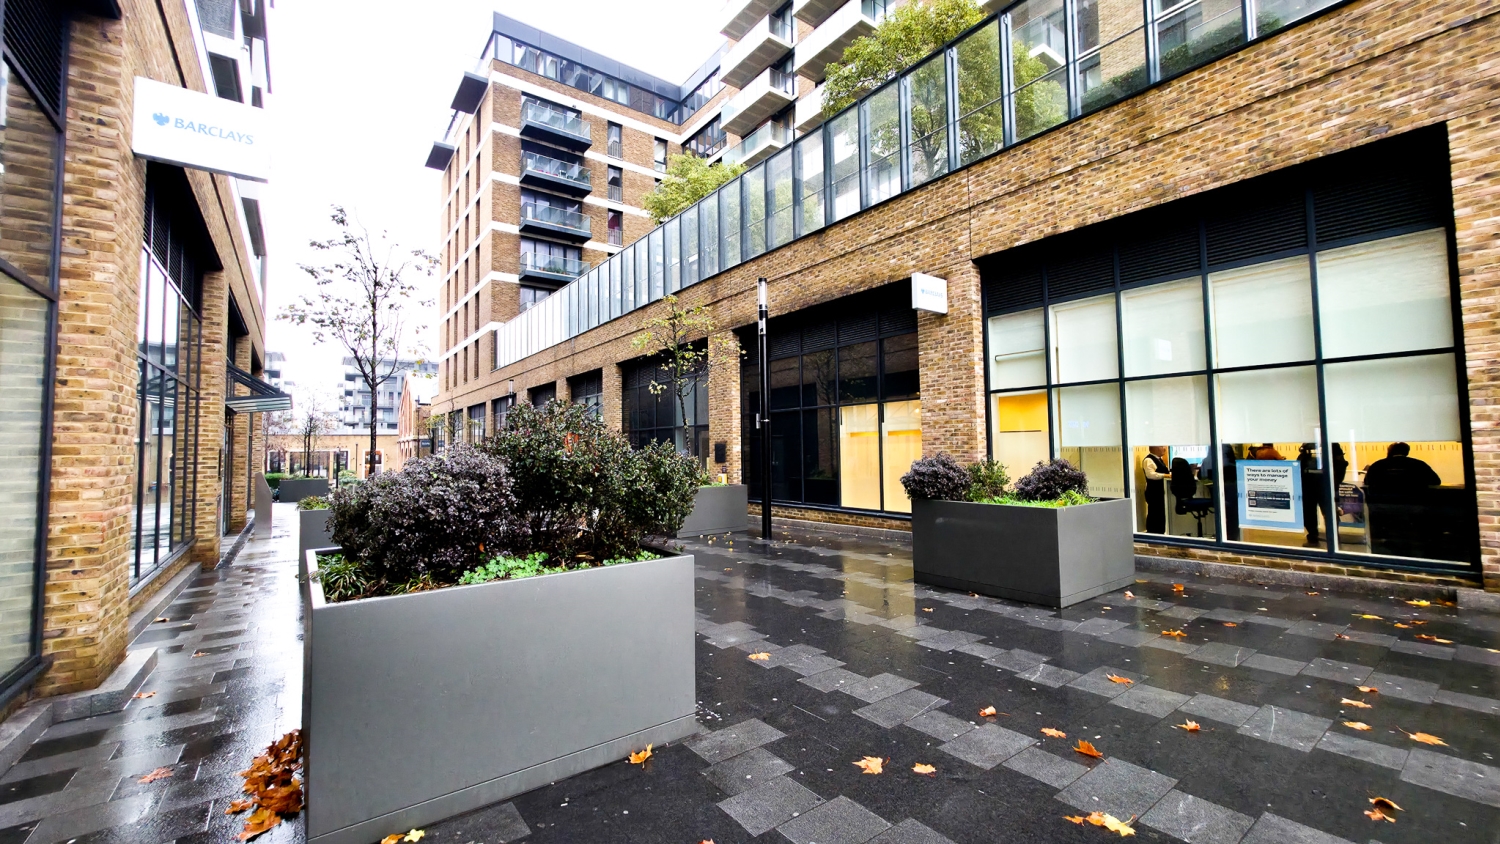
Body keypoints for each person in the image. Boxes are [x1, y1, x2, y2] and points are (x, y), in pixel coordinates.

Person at [1363, 442, 1441, 557]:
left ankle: (1392, 553)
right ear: (1407, 451)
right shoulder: (1418, 464)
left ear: (1390, 451)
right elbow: (1436, 481)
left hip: (1384, 508)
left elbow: (1367, 483)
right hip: (1411, 507)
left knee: (1391, 534)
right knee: (1408, 535)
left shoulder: (1378, 465)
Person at [1142, 446, 1169, 534]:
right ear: (1156, 448)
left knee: (1160, 513)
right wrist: (1165, 475)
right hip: (1153, 492)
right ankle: (1152, 533)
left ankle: (1160, 532)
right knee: (1154, 513)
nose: (1164, 449)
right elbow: (1150, 475)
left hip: (1160, 491)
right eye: (1162, 447)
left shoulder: (1160, 460)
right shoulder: (1148, 460)